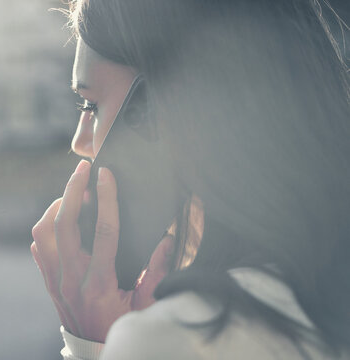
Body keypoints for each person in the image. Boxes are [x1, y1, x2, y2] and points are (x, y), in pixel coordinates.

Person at [30, 0, 350, 358]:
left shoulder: (174, 338)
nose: (79, 142)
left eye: (91, 106)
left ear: (162, 109)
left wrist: (91, 342)